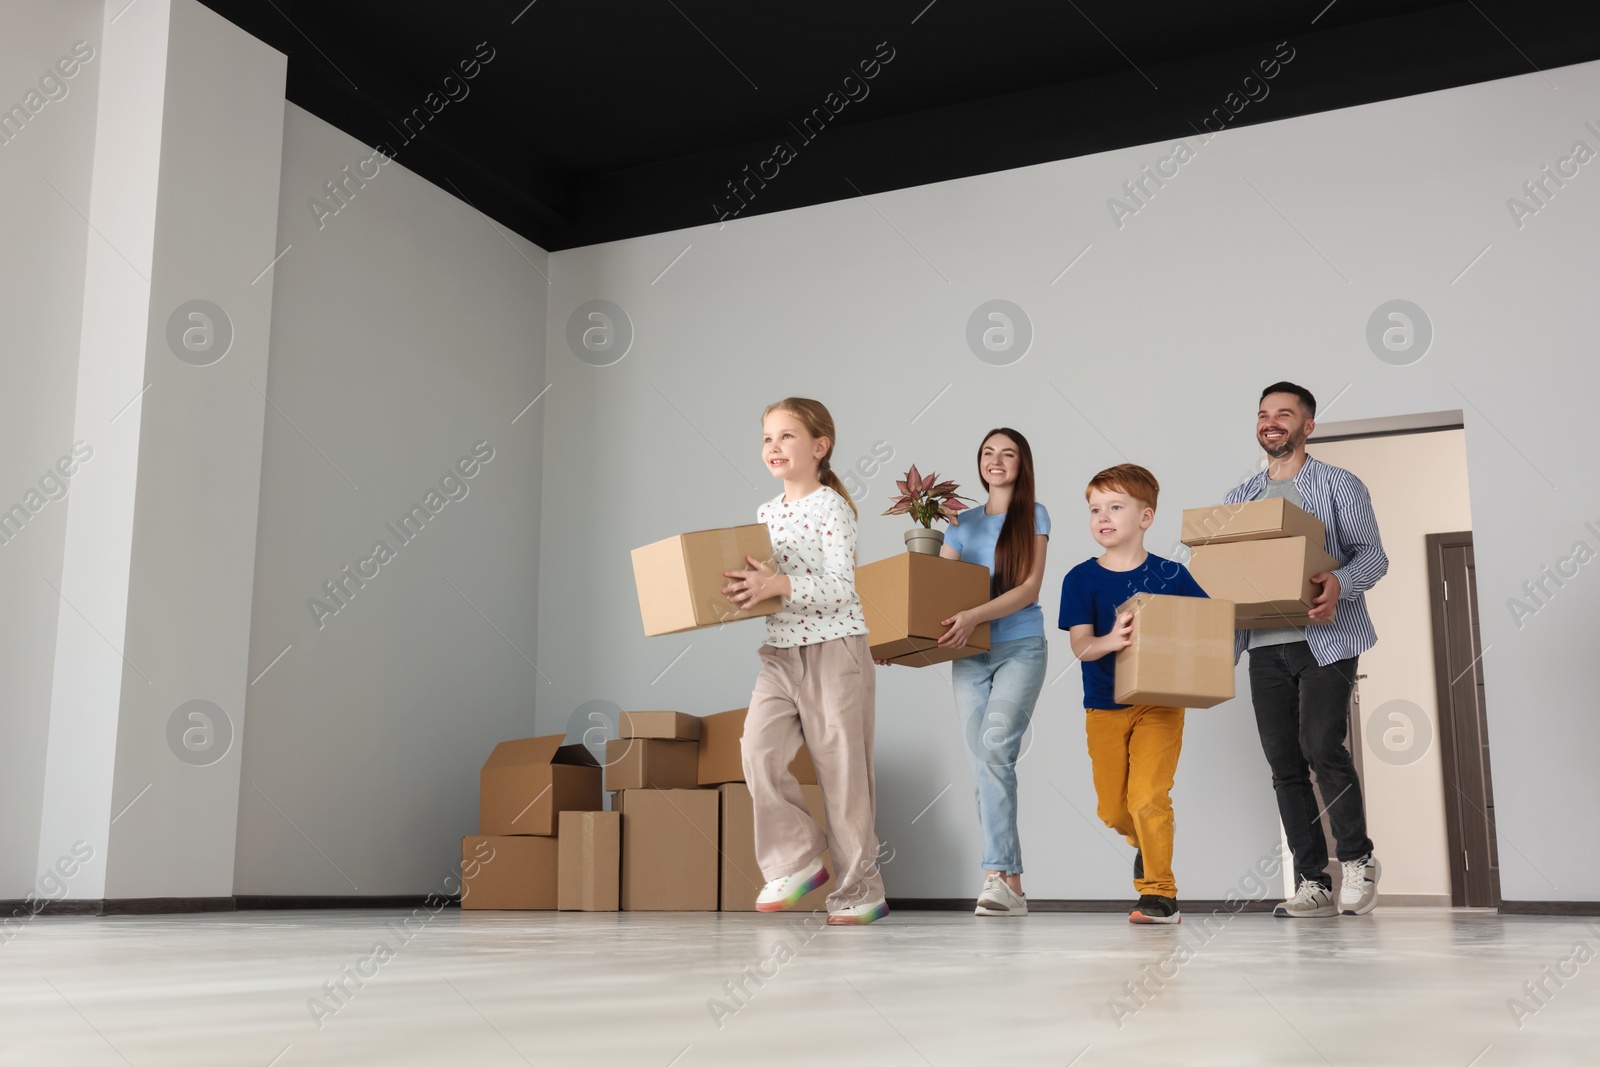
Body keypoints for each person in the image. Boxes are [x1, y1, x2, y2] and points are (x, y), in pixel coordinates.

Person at [723, 397, 888, 926]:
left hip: (835, 652)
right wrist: (752, 591)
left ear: (820, 446)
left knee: (843, 775)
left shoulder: (831, 507)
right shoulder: (766, 514)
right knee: (756, 749)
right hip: (780, 652)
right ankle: (795, 858)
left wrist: (778, 584)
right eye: (767, 438)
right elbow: (775, 589)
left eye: (786, 436)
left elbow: (841, 587)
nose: (774, 447)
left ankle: (861, 891)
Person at [1228, 382, 1387, 918]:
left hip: (1326, 641)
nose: (1272, 422)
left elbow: (1374, 557)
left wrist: (1341, 583)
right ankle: (1312, 880)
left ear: (1307, 426)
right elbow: (1228, 580)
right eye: (1264, 414)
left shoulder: (1340, 485)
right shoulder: (1239, 500)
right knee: (1284, 765)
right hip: (1263, 647)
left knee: (1323, 746)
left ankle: (1359, 860)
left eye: (1284, 414)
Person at [1059, 464, 1209, 925]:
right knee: (1113, 809)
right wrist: (1114, 640)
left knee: (1148, 797)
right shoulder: (1080, 579)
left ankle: (1160, 894)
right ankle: (1144, 843)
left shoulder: (1172, 574)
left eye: (1115, 507)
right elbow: (1082, 646)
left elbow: (1205, 629)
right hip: (1104, 706)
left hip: (1159, 704)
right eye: (1095, 509)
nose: (1102, 517)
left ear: (1145, 518)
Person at [922, 429, 1052, 917]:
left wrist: (975, 614)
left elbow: (1028, 589)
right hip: (969, 654)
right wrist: (903, 641)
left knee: (995, 751)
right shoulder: (959, 522)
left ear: (1022, 464)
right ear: (979, 463)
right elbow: (939, 592)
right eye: (988, 453)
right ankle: (1010, 885)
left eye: (1008, 454)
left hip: (1019, 646)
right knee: (983, 763)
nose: (996, 461)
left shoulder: (1034, 515)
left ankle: (997, 876)